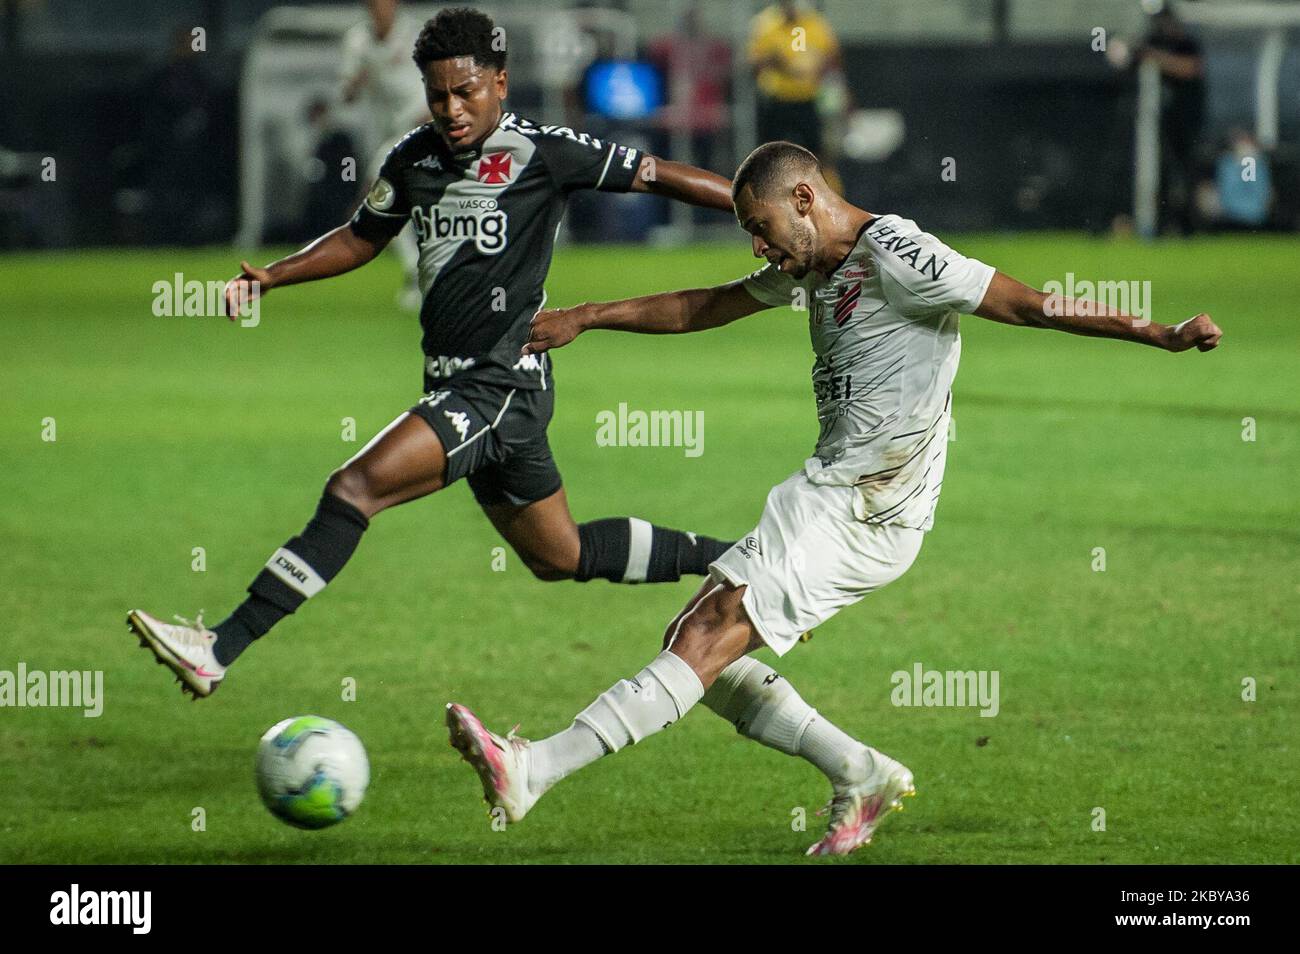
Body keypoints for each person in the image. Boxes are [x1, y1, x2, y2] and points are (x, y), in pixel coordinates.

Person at [446, 141, 1223, 856]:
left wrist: (1158, 333)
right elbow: (708, 305)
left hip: (866, 504)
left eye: (762, 226)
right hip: (837, 490)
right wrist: (590, 316)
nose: (759, 245)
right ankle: (860, 770)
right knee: (697, 641)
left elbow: (1027, 303)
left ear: (807, 197)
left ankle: (535, 769)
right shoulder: (812, 265)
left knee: (708, 633)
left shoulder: (899, 251)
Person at [127, 7, 738, 698]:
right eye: (438, 93)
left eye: (465, 91)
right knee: (558, 554)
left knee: (354, 489)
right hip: (460, 386)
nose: (451, 108)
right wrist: (275, 275)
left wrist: (755, 211)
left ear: (500, 83)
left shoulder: (544, 150)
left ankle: (218, 646)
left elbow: (655, 172)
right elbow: (361, 237)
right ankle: (735, 559)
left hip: (498, 383)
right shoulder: (413, 159)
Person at [340, 0, 430, 308]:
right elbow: (347, 95)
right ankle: (419, 271)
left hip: (425, 121)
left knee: (379, 192)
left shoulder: (416, 34)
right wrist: (356, 82)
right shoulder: (357, 41)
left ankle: (421, 271)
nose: (382, 8)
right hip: (393, 130)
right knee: (394, 202)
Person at [747, 0, 840, 154]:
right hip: (776, 101)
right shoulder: (765, 23)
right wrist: (776, 62)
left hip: (807, 100)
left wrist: (815, 66)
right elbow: (754, 61)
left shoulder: (815, 24)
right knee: (772, 155)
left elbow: (832, 58)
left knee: (813, 154)